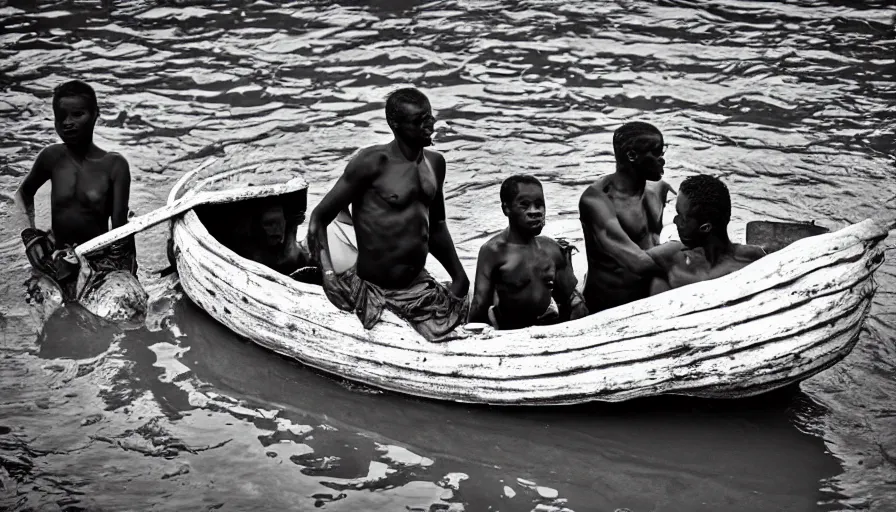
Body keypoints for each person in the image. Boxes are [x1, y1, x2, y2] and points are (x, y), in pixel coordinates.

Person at [306, 87, 470, 342]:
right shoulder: (372, 162)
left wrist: (459, 276)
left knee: (459, 321)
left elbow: (436, 225)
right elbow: (319, 218)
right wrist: (328, 276)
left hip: (417, 285)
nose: (430, 126)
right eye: (419, 121)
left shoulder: (435, 163)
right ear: (395, 124)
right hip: (374, 285)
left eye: (429, 117)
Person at [15, 80, 137, 296]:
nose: (67, 123)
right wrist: (30, 236)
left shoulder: (115, 166)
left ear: (95, 114)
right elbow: (23, 195)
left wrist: (123, 273)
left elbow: (121, 234)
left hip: (98, 259)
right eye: (60, 117)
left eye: (77, 114)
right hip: (57, 258)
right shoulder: (51, 158)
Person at [468, 175, 588, 330]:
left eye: (539, 205)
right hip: (510, 330)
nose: (535, 212)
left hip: (548, 325)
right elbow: (479, 305)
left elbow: (573, 299)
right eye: (525, 205)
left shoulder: (551, 249)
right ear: (506, 209)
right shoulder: (493, 251)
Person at [578, 121, 675, 313]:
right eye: (656, 153)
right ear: (632, 155)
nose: (662, 160)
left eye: (663, 153)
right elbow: (637, 262)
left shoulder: (659, 189)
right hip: (607, 306)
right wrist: (691, 263)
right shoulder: (596, 200)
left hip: (647, 299)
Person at [649, 175, 766, 294]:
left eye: (682, 218)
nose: (675, 220)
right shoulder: (671, 257)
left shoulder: (753, 260)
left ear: (705, 228)